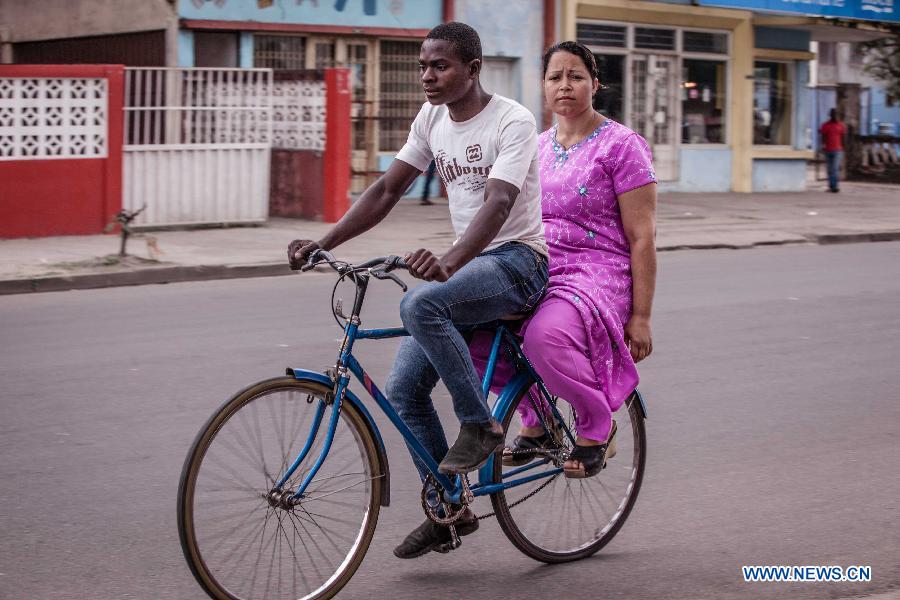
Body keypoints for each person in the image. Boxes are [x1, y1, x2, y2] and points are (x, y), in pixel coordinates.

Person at [288, 22, 548, 558]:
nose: (427, 76)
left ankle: (480, 425)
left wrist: (451, 261)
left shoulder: (512, 120)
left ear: (472, 69)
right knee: (404, 391)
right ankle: (448, 508)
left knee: (420, 301)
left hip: (519, 261)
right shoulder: (432, 118)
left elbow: (498, 203)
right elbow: (387, 188)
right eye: (424, 66)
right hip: (473, 267)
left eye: (441, 66)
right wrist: (324, 241)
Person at [474, 41, 657, 479]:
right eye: (555, 77)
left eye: (575, 76)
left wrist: (642, 316)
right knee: (470, 331)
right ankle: (537, 421)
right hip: (537, 263)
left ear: (594, 84)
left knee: (543, 337)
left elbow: (643, 237)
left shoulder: (622, 146)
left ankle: (597, 425)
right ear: (543, 86)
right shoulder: (534, 146)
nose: (565, 86)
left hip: (597, 273)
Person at [820, 108, 846, 193]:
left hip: (838, 150)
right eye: (833, 114)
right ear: (830, 115)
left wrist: (843, 148)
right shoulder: (825, 125)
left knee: (835, 168)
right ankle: (831, 186)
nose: (835, 116)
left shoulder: (841, 125)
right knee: (829, 169)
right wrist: (823, 145)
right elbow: (823, 136)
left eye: (836, 114)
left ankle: (835, 186)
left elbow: (843, 137)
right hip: (828, 149)